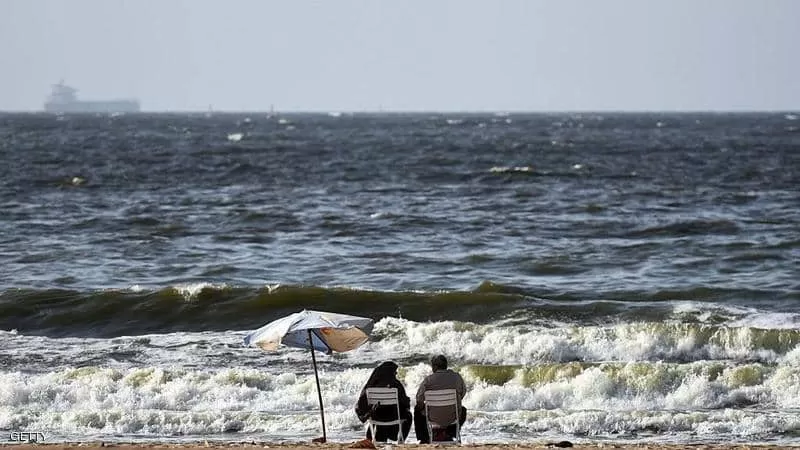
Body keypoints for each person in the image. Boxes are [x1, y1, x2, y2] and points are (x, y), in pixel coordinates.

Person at [414, 355, 467, 443]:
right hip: (453, 416)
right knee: (463, 410)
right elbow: (462, 393)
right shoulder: (457, 377)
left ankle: (424, 438)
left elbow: (419, 399)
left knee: (417, 409)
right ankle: (450, 434)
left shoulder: (428, 380)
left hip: (433, 417)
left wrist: (426, 406)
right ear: (446, 365)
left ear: (435, 367)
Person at [355, 361, 412, 442]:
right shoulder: (396, 384)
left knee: (378, 412)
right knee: (408, 416)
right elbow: (405, 402)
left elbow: (362, 402)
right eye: (394, 371)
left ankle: (376, 436)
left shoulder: (371, 385)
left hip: (376, 417)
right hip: (394, 417)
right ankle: (400, 441)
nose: (396, 373)